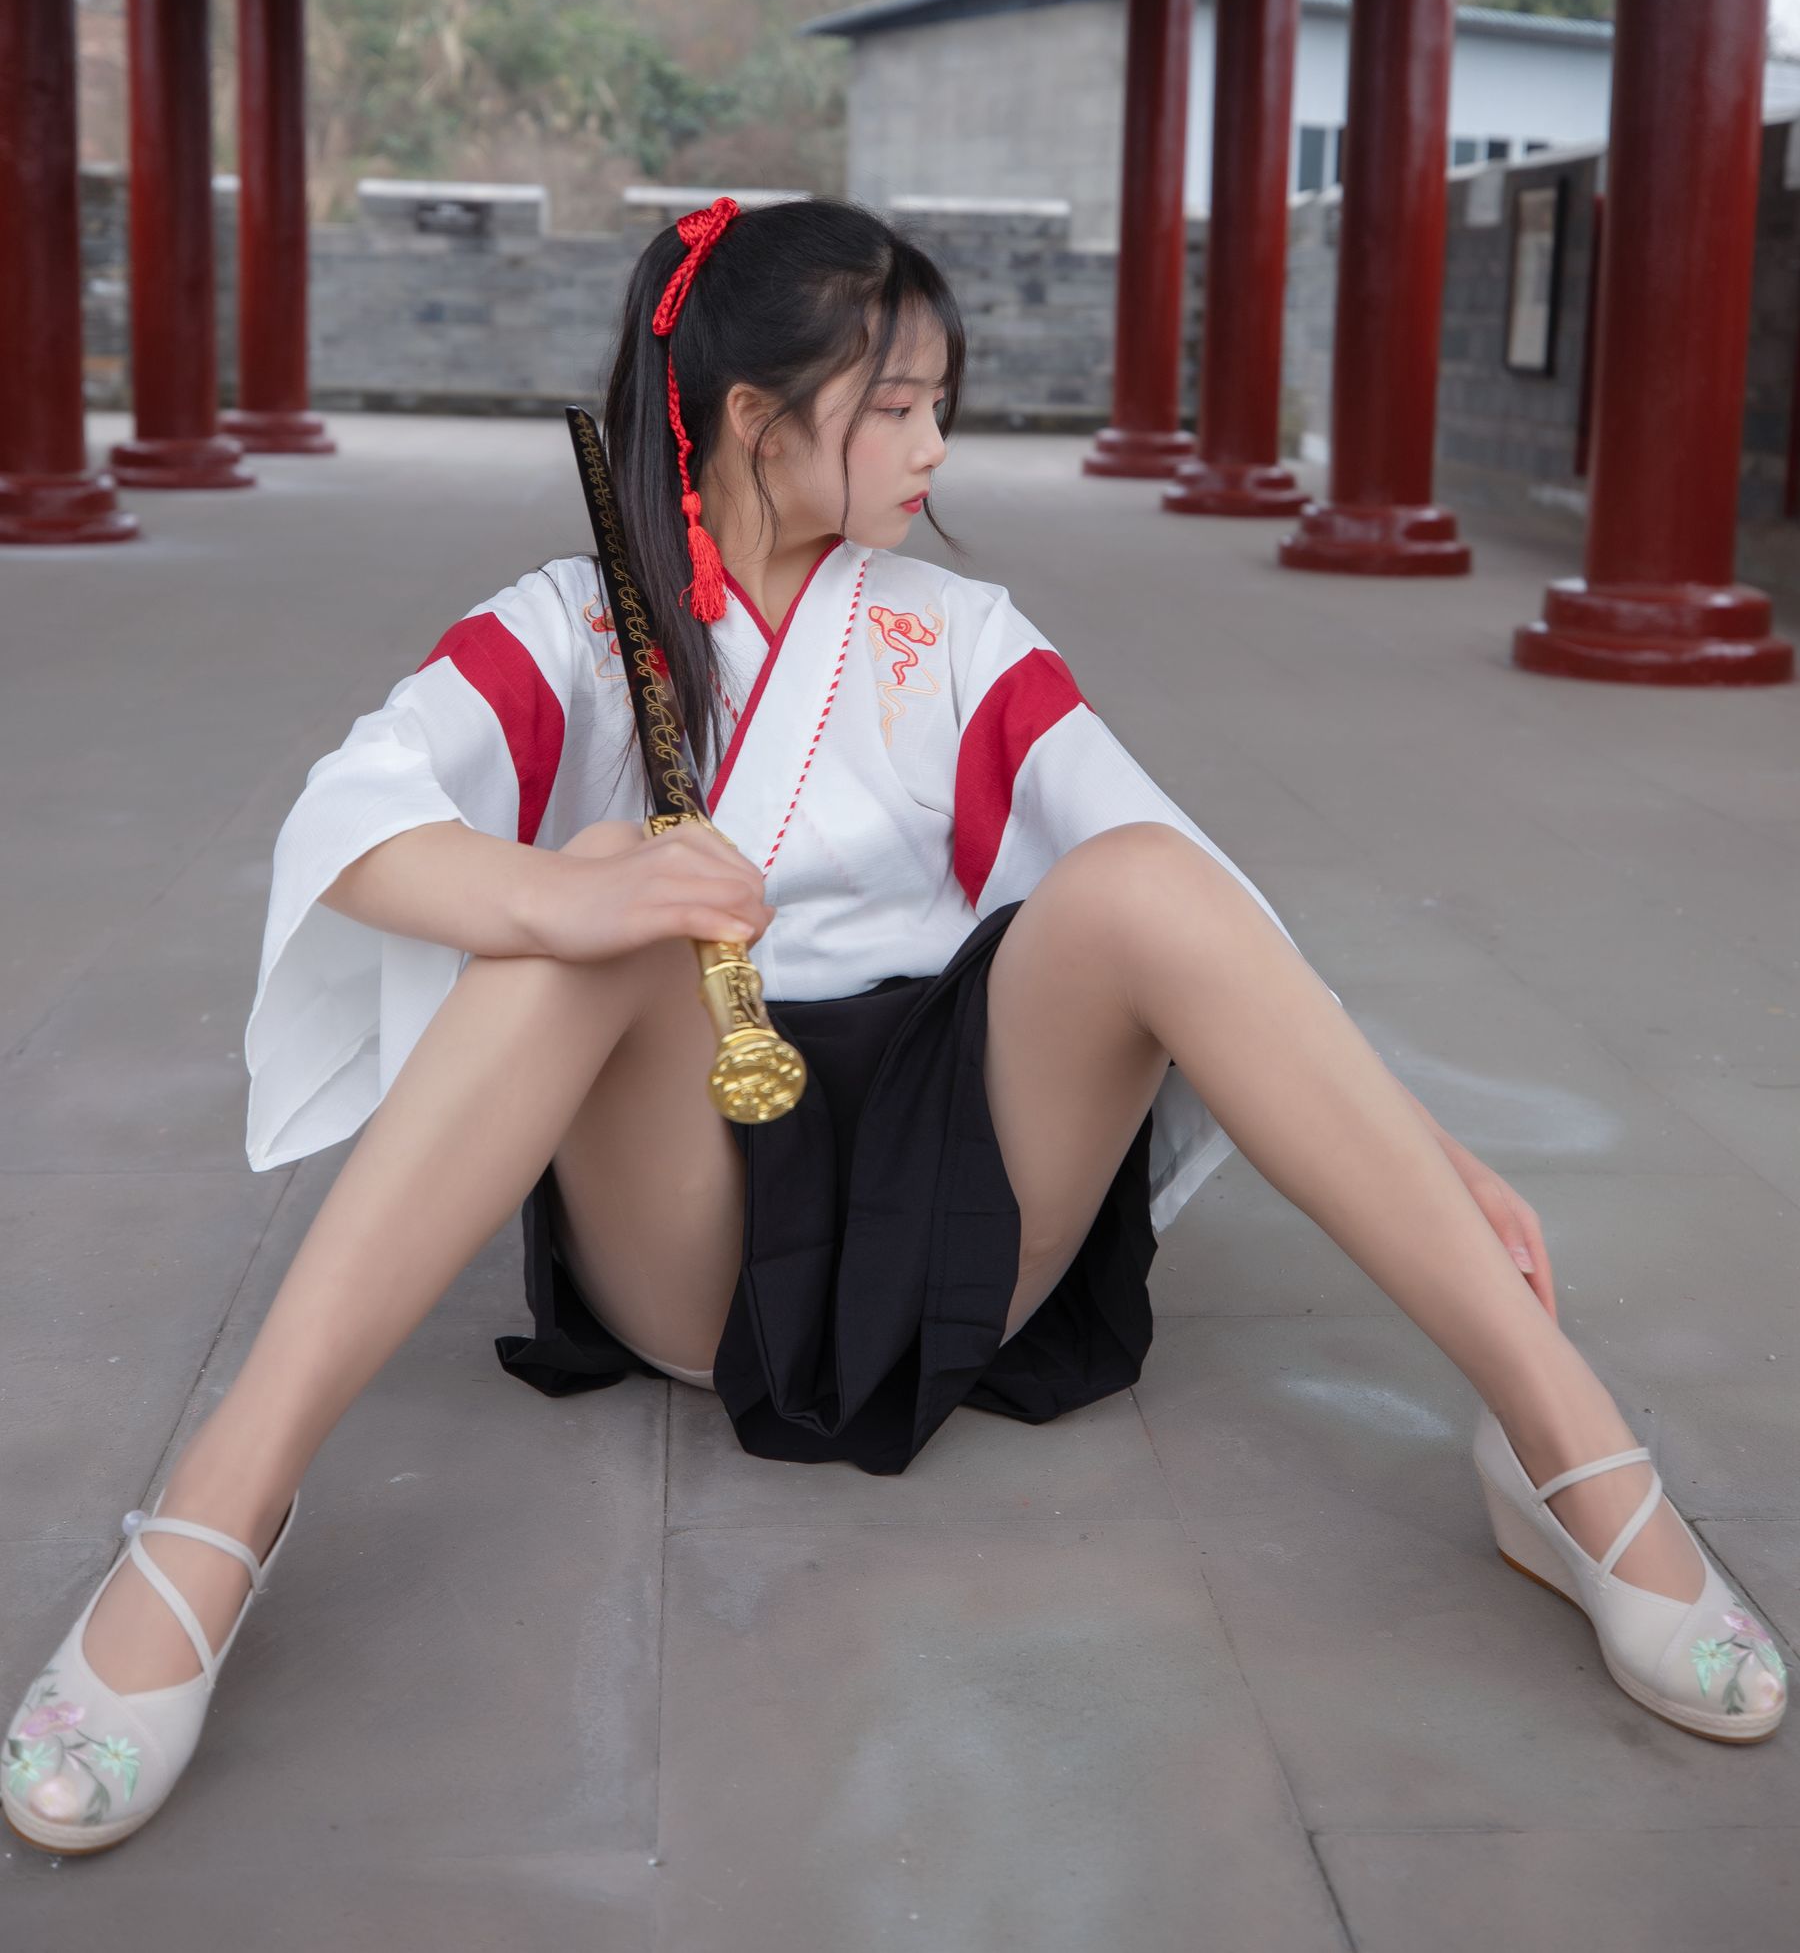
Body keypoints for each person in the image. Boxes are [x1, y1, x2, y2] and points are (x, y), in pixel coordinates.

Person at [5, 197, 1785, 1856]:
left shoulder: (956, 632)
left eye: (945, 406)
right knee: (595, 911)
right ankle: (217, 1518)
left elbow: (1177, 883)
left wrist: (1421, 1143)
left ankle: (1562, 1450)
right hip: (691, 1212)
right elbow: (354, 821)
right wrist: (573, 892)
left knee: (1149, 880)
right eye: (902, 407)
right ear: (758, 420)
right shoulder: (568, 629)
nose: (940, 449)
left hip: (955, 1191)